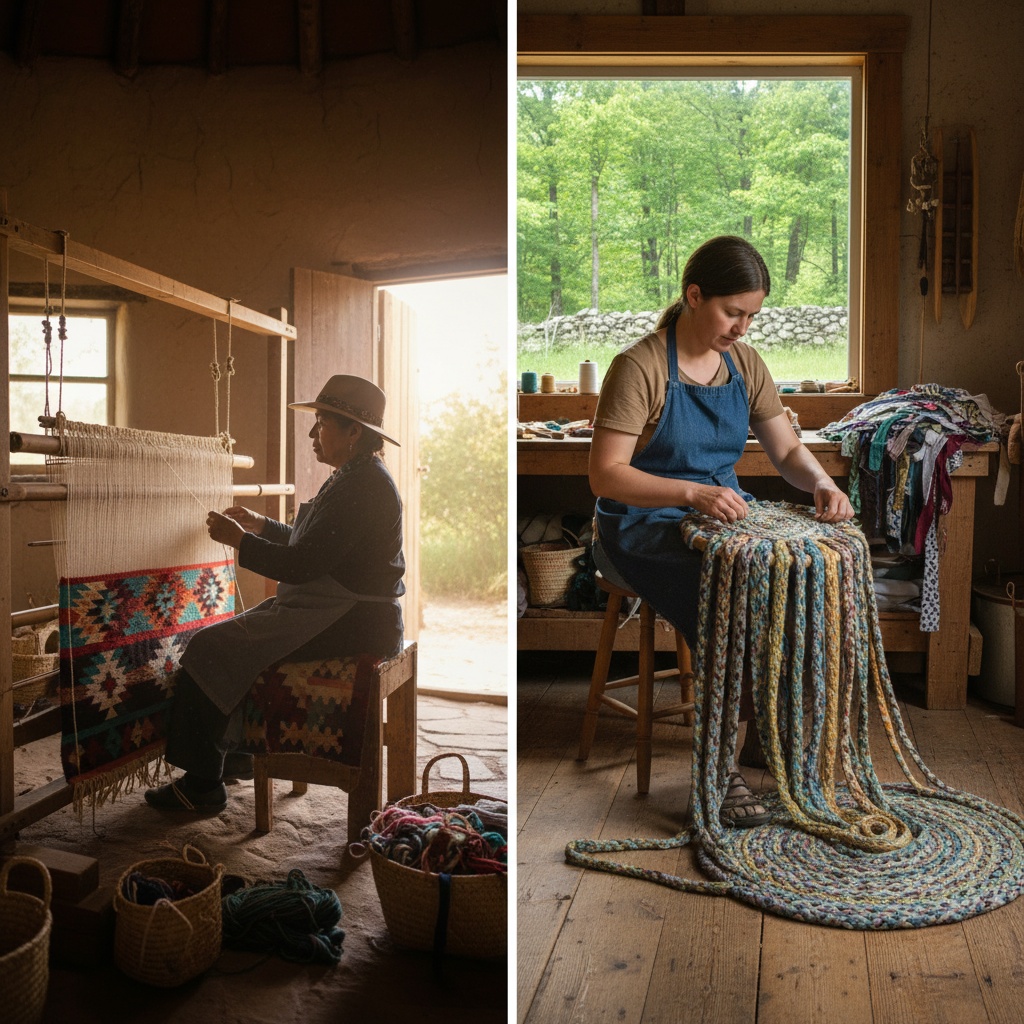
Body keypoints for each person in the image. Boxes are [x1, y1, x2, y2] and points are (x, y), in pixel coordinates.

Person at [589, 235, 854, 827]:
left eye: (752, 315)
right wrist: (691, 492)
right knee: (732, 594)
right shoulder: (640, 366)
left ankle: (766, 728)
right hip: (639, 524)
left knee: (797, 573)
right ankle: (715, 770)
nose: (742, 327)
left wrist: (819, 484)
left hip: (719, 512)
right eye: (733, 312)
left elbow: (786, 448)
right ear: (693, 295)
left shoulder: (745, 364)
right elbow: (605, 476)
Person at [146, 374, 405, 812]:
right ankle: (235, 756)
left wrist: (238, 541)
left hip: (351, 620)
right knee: (231, 641)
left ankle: (203, 785)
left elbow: (302, 564)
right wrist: (261, 526)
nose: (311, 432)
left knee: (210, 648)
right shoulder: (355, 476)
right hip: (339, 610)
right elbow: (315, 546)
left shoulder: (362, 486)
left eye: (321, 422)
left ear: (354, 432)